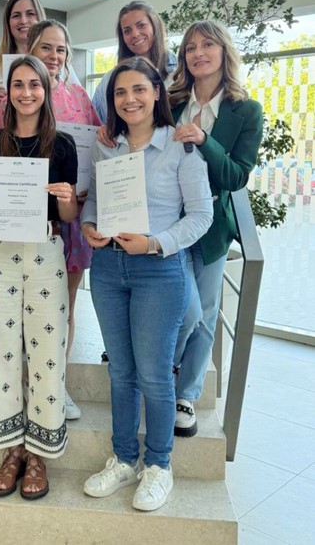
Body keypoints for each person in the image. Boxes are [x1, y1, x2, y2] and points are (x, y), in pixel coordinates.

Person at [81, 56, 212, 511]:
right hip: (108, 269)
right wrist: (89, 226)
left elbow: (201, 216)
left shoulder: (180, 147)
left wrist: (156, 243)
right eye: (120, 92)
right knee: (121, 371)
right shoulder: (106, 147)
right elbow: (93, 201)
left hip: (159, 270)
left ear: (157, 92)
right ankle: (123, 458)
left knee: (155, 375)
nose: (129, 99)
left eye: (138, 89)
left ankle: (158, 465)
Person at [0, 55, 78, 500]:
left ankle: (39, 455)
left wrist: (67, 199)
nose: (26, 92)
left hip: (46, 249)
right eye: (18, 84)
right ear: (7, 92)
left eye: (35, 84)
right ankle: (10, 449)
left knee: (47, 351)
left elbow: (68, 216)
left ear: (46, 91)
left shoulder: (62, 145)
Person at [0, 20, 101, 420]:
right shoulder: (14, 98)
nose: (54, 56)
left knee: (63, 307)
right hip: (21, 224)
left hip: (70, 218)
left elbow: (94, 146)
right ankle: (22, 383)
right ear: (31, 50)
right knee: (21, 308)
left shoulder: (79, 96)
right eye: (46, 48)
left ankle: (56, 384)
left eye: (61, 49)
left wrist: (86, 187)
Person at [170, 21, 263, 437]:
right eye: (190, 47)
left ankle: (185, 394)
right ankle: (160, 373)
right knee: (181, 308)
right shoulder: (171, 102)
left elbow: (236, 177)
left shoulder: (247, 110)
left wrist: (204, 139)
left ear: (224, 52)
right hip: (167, 222)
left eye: (207, 45)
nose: (198, 53)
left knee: (204, 313)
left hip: (211, 228)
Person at [92, 0, 176, 123]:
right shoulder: (108, 81)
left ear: (155, 26)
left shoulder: (179, 73)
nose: (135, 34)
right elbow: (96, 122)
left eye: (141, 25)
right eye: (127, 31)